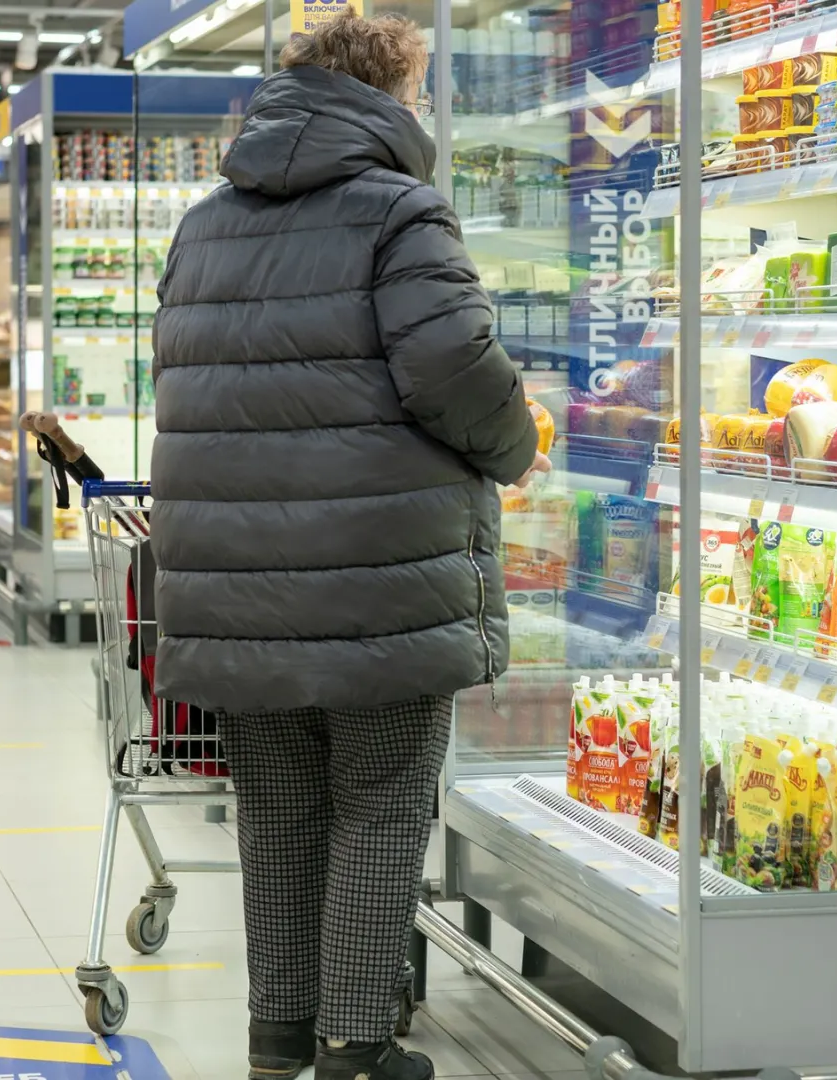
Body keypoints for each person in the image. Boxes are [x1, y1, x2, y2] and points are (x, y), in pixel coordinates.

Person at [148, 14, 550, 1080]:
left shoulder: (202, 224)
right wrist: (520, 446)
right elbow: (456, 369)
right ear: (387, 96)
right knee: (380, 804)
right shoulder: (400, 213)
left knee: (275, 813)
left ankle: (277, 1034)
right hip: (382, 575)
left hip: (230, 579)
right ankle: (356, 1043)